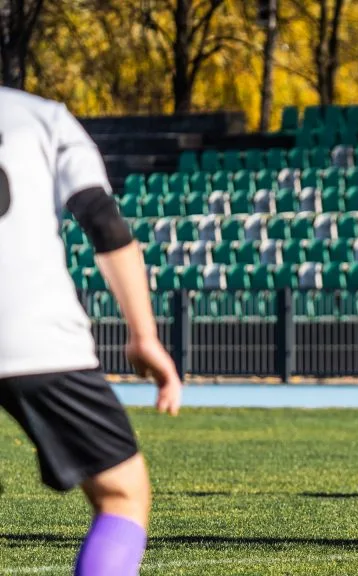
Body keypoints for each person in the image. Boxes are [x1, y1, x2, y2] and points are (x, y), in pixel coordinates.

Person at [0, 87, 182, 574]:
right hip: (30, 333)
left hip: (31, 334)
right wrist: (144, 336)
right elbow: (103, 222)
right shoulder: (42, 117)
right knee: (122, 496)